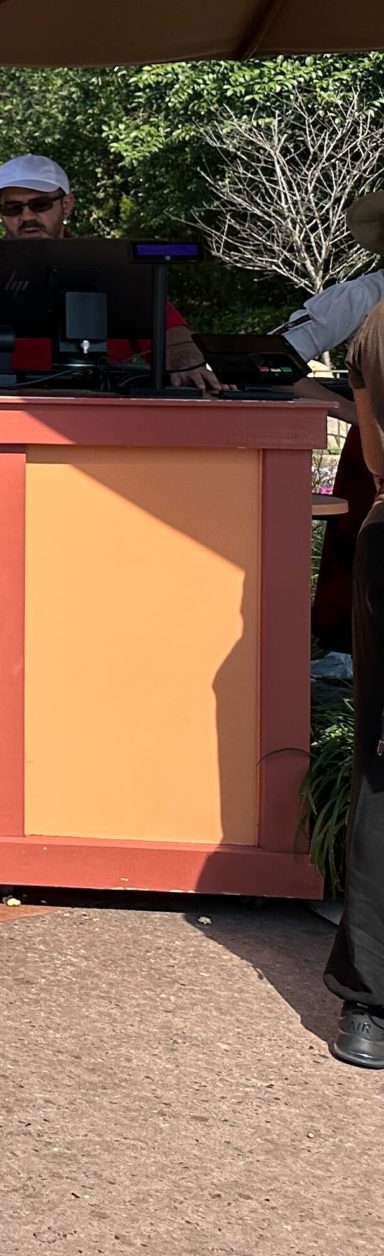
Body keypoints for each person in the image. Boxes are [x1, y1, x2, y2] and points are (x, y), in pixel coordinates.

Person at [274, 188, 384, 1070]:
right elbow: (278, 354)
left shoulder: (375, 317)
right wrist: (353, 404)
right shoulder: (366, 305)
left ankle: (370, 1004)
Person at [0, 155, 220, 388]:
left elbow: (169, 330)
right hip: (8, 410)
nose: (27, 216)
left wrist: (185, 360)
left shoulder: (116, 267)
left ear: (66, 203)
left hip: (107, 410)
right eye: (13, 208)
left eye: (40, 204)